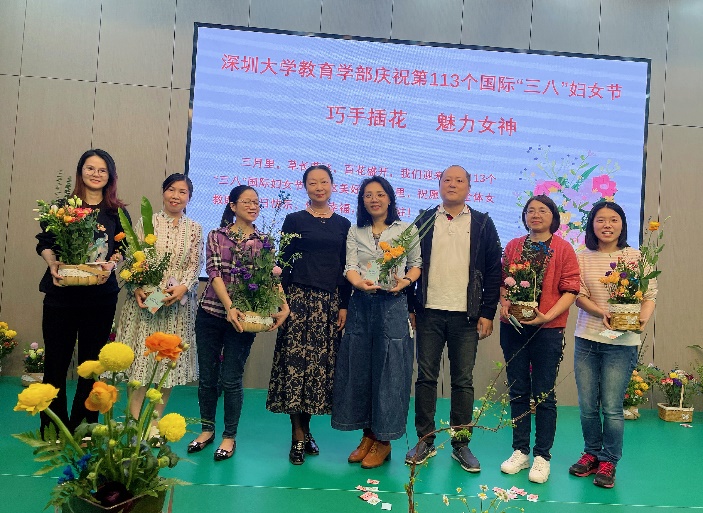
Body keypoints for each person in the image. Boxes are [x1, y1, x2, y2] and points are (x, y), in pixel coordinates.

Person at [405, 165, 502, 473]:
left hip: (467, 316)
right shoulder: (423, 220)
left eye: (459, 180)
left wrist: (487, 312)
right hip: (429, 312)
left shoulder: (483, 223)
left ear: (469, 187)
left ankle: (461, 444)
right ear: (439, 185)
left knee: (463, 380)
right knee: (425, 378)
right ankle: (425, 440)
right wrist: (411, 306)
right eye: (447, 180)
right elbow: (408, 264)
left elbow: (493, 270)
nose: (453, 184)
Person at [188, 185, 289, 461]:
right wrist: (229, 306)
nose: (253, 206)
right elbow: (214, 273)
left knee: (232, 379)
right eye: (247, 201)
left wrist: (284, 305)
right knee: (208, 378)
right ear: (232, 206)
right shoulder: (216, 235)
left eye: (256, 202)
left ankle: (229, 436)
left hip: (245, 319)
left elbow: (269, 277)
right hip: (211, 313)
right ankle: (206, 430)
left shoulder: (264, 240)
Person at [331, 176, 421, 469]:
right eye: (368, 195)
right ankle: (368, 436)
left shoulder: (406, 229)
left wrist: (404, 281)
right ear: (362, 201)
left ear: (390, 198)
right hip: (362, 304)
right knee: (360, 369)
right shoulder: (355, 230)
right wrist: (359, 283)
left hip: (393, 304)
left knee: (390, 372)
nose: (374, 199)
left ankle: (384, 441)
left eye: (380, 194)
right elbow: (350, 266)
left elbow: (415, 265)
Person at [36, 149, 129, 434]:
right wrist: (52, 263)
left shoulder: (116, 212)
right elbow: (45, 243)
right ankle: (53, 427)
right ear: (80, 172)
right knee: (55, 363)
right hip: (61, 296)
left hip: (100, 298)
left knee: (92, 364)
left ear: (110, 176)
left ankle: (84, 426)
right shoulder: (62, 208)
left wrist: (112, 264)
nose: (96, 174)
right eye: (90, 168)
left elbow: (122, 248)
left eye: (102, 170)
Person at [266, 165, 352, 465]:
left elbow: (345, 267)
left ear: (332, 185)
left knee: (316, 372)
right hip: (298, 301)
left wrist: (344, 305)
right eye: (313, 183)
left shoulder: (344, 224)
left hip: (328, 304)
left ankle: (307, 430)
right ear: (305, 187)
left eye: (324, 182)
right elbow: (284, 262)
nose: (319, 187)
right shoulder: (294, 219)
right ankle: (297, 436)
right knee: (295, 367)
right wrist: (281, 303)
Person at [568, 201, 656, 488]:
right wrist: (601, 313)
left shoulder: (636, 257)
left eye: (613, 219)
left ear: (622, 224)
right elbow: (578, 295)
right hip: (587, 339)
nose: (607, 225)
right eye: (601, 220)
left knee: (612, 406)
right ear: (592, 224)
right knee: (587, 405)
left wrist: (641, 320)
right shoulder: (581, 257)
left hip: (623, 342)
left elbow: (649, 295)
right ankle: (591, 453)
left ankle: (609, 460)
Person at [498, 194, 580, 483]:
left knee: (544, 393)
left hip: (548, 329)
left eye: (542, 210)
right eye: (530, 210)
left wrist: (548, 316)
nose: (535, 215)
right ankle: (520, 451)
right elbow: (503, 283)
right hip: (514, 327)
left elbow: (571, 289)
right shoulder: (513, 246)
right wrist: (505, 304)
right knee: (518, 390)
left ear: (553, 216)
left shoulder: (563, 248)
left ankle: (542, 456)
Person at [116, 173, 203, 424]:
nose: (176, 196)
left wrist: (183, 287)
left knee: (167, 364)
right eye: (171, 190)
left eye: (182, 192)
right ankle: (133, 424)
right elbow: (132, 258)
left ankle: (154, 424)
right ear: (163, 192)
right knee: (140, 362)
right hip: (146, 304)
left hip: (176, 307)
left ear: (189, 197)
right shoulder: (147, 222)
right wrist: (138, 287)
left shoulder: (194, 228)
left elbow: (195, 264)